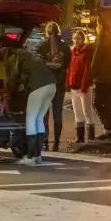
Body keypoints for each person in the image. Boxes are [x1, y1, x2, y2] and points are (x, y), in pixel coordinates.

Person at [1, 46, 55, 165]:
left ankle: (31, 156)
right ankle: (38, 156)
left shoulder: (14, 57)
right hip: (51, 85)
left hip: (38, 86)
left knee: (30, 119)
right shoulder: (30, 55)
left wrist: (9, 90)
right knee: (39, 119)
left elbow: (13, 77)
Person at [37, 22, 71, 151]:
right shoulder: (65, 46)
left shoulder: (42, 46)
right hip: (60, 82)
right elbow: (67, 63)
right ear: (58, 32)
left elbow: (35, 59)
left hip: (45, 82)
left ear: (46, 32)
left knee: (44, 113)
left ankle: (45, 141)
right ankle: (56, 142)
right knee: (57, 113)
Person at [88, 17, 111, 140]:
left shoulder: (101, 38)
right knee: (108, 104)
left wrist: (91, 74)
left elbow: (97, 57)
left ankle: (110, 127)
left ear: (100, 25)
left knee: (96, 103)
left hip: (102, 77)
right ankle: (110, 130)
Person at [67, 30, 95, 142]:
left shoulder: (86, 52)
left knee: (87, 112)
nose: (76, 40)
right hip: (74, 86)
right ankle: (80, 137)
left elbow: (86, 70)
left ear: (83, 39)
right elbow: (69, 69)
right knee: (77, 112)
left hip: (84, 87)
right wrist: (68, 84)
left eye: (78, 38)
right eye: (74, 38)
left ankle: (91, 138)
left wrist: (84, 86)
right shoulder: (73, 52)